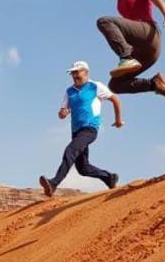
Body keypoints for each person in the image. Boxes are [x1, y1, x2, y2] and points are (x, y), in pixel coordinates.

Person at [48, 0, 165, 103]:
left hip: (149, 35)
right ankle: (155, 84)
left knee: (105, 21)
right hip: (144, 53)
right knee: (116, 85)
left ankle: (125, 57)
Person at [39, 61, 123, 198]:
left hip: (90, 129)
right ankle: (109, 177)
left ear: (86, 72)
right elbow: (61, 112)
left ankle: (53, 183)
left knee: (70, 151)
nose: (74, 75)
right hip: (76, 131)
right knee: (83, 168)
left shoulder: (95, 86)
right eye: (72, 73)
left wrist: (118, 120)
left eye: (77, 72)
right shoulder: (69, 91)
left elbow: (115, 99)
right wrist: (63, 113)